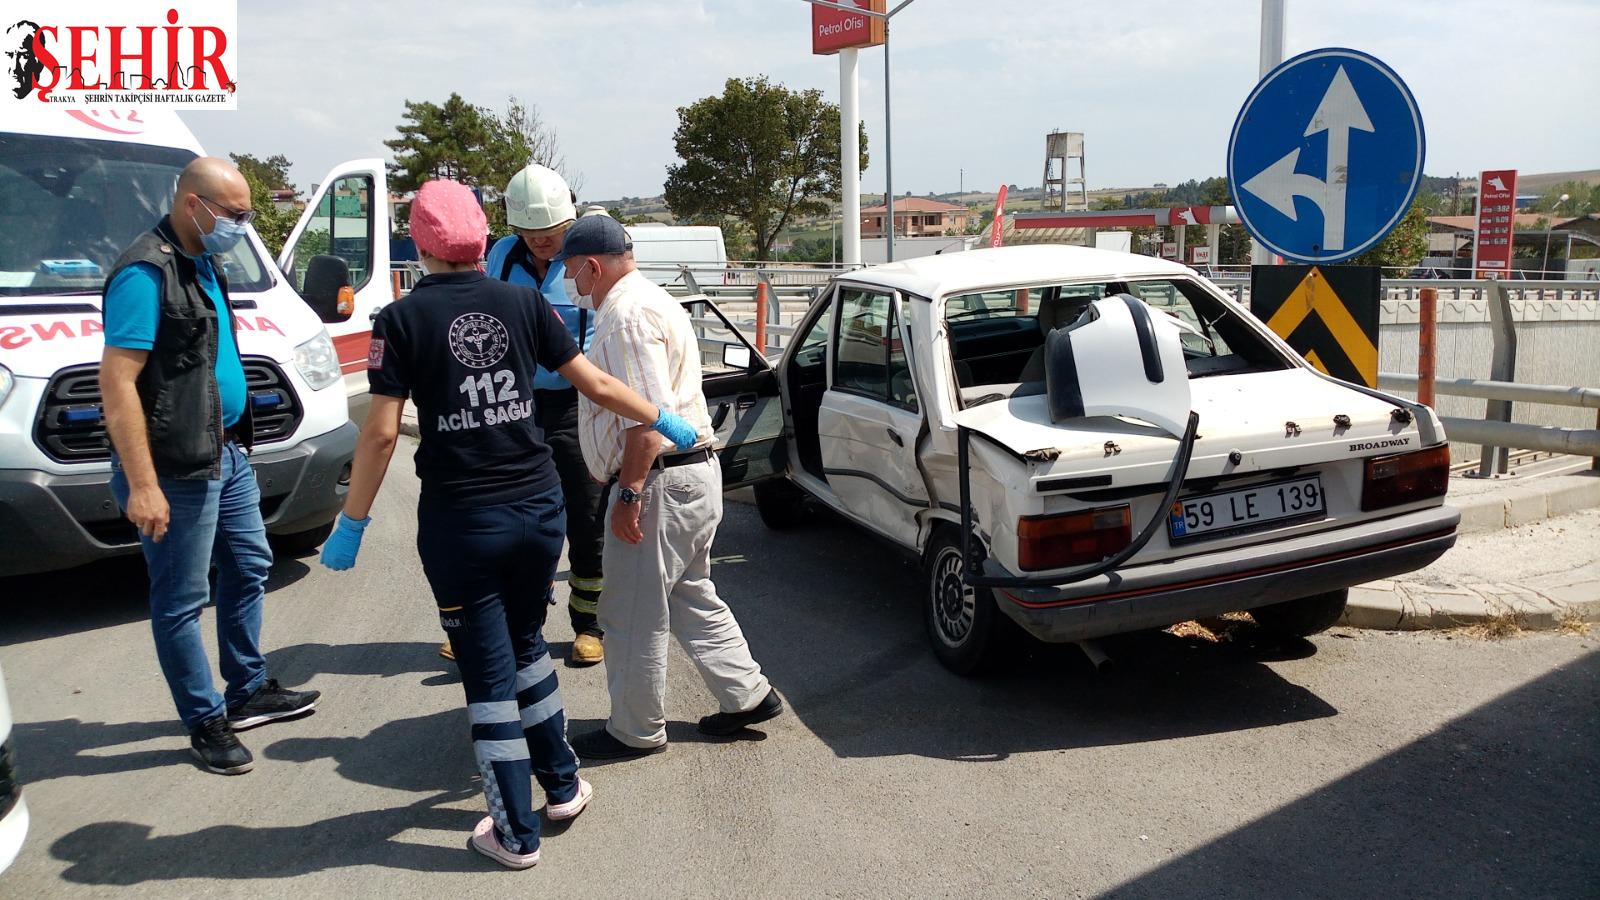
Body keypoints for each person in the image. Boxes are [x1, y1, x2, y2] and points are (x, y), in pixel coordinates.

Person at [318, 180, 696, 869]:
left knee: (487, 676)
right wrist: (661, 417)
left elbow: (377, 437)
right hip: (538, 507)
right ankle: (561, 785)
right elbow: (595, 383)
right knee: (526, 645)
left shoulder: (399, 321)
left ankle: (514, 833)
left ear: (423, 242)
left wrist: (353, 521)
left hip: (463, 519)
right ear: (483, 234)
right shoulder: (524, 302)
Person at [99, 157, 318, 776]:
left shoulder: (202, 260)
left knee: (250, 562)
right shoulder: (145, 273)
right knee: (181, 598)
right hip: (174, 464)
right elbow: (117, 384)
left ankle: (246, 689)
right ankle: (205, 720)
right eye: (236, 214)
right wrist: (142, 484)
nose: (243, 226)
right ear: (193, 204)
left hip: (223, 450)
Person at [556, 216, 784, 761]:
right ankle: (747, 694)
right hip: (689, 475)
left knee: (630, 613)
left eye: (571, 270)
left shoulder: (625, 316)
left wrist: (629, 491)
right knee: (689, 593)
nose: (570, 281)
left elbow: (648, 419)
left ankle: (633, 730)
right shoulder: (654, 300)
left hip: (659, 480)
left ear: (592, 266)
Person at [483, 164, 608, 666]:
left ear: (568, 223)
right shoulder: (501, 256)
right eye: (529, 232)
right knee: (512, 518)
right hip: (517, 403)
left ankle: (589, 624)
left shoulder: (589, 261)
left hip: (578, 403)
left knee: (585, 514)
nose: (539, 241)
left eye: (550, 233)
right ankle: (508, 624)